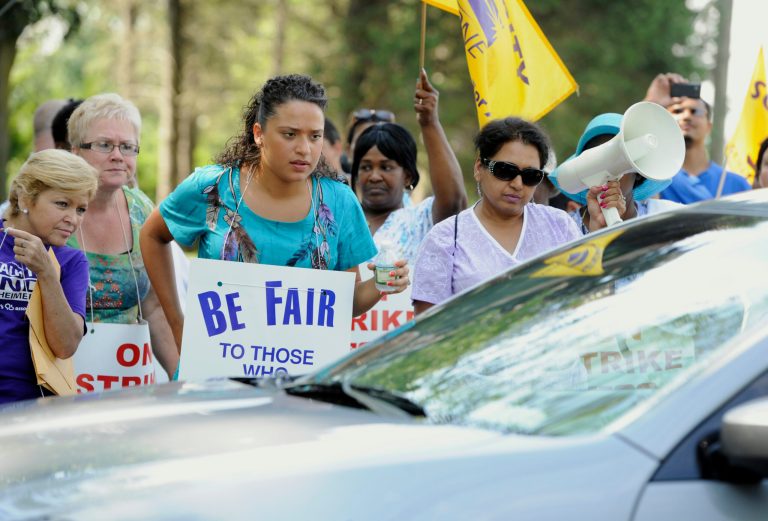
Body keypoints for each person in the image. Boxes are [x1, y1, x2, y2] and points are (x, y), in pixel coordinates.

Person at [140, 73, 410, 351]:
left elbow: (347, 302)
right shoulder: (214, 187)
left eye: (315, 136)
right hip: (216, 376)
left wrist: (381, 284)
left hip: (300, 379)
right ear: (259, 134)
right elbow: (151, 235)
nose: (304, 149)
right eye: (289, 134)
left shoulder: (339, 201)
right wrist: (177, 324)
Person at [411, 117, 581, 314]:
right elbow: (428, 327)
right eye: (505, 170)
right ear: (478, 169)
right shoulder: (445, 239)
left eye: (530, 176)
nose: (517, 184)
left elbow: (581, 298)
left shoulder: (560, 226)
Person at [67, 93, 179, 380]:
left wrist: (182, 374)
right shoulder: (52, 209)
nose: (118, 156)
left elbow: (154, 307)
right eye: (104, 145)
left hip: (126, 381)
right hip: (57, 382)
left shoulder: (143, 211)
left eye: (127, 147)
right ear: (76, 151)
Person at [0, 149, 98, 405]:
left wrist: (46, 273)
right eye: (62, 204)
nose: (72, 219)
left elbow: (65, 346)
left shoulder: (72, 261)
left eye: (81, 209)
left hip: (32, 406)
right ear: (25, 198)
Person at [350, 69, 467, 265]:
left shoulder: (420, 220)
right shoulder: (340, 221)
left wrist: (429, 123)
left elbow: (453, 200)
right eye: (366, 167)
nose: (374, 176)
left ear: (407, 176)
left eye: (386, 167)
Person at [549, 112, 681, 233]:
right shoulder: (562, 230)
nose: (604, 167)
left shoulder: (670, 216)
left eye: (616, 159)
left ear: (638, 173)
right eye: (596, 159)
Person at [644, 73, 751, 203]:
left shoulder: (736, 185)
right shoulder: (654, 178)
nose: (686, 116)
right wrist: (651, 103)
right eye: (677, 111)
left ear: (709, 126)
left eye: (695, 111)